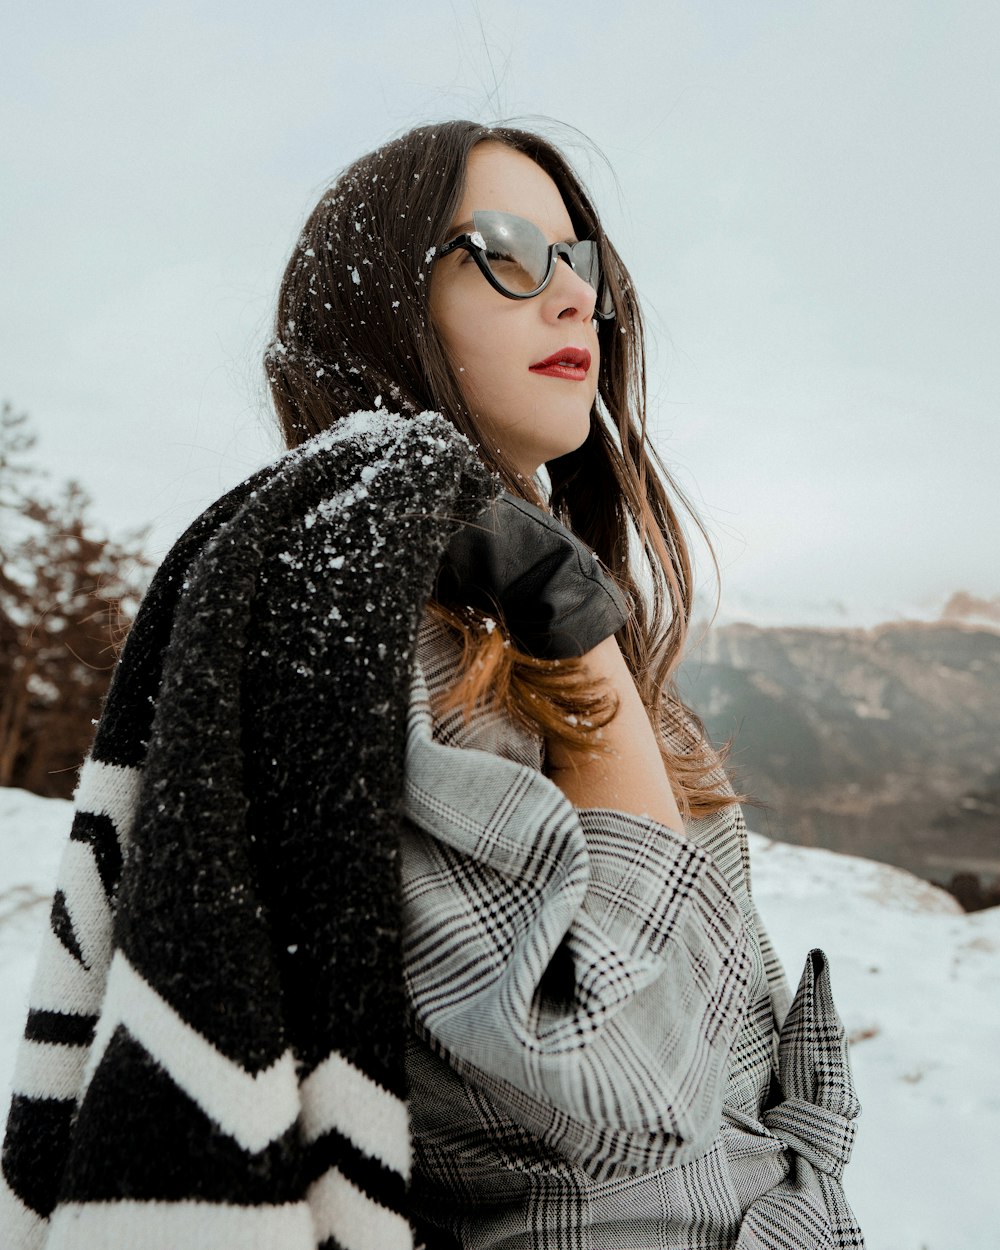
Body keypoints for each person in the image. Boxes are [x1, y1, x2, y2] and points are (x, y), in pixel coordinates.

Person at [0, 121, 864, 1249]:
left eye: (580, 260)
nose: (570, 300)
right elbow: (612, 1073)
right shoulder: (390, 645)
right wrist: (583, 637)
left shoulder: (502, 614)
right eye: (505, 250)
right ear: (380, 306)